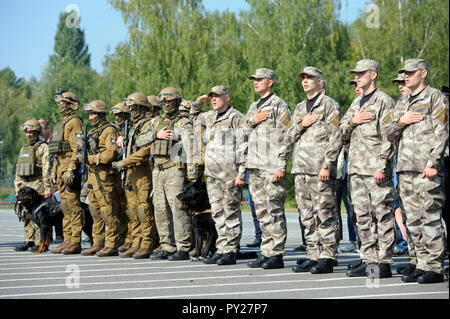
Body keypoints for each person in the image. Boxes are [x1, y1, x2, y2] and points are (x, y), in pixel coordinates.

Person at [386, 58, 448, 284]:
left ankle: (434, 267)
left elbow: (441, 132)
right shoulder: (401, 102)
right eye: (404, 73)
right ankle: (421, 263)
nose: (406, 76)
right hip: (404, 169)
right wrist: (402, 121)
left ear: (423, 73)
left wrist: (433, 162)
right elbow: (389, 134)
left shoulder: (435, 98)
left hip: (425, 169)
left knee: (429, 217)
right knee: (412, 220)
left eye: (411, 72)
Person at [340, 59, 396, 278]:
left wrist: (382, 165)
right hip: (356, 169)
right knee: (361, 217)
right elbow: (341, 131)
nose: (357, 76)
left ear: (373, 75)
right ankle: (368, 258)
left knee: (381, 215)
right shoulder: (356, 104)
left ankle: (384, 262)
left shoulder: (384, 101)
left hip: (375, 170)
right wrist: (353, 120)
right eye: (356, 73)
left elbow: (389, 137)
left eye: (361, 73)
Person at [288, 67, 342, 274]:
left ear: (320, 81)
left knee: (325, 213)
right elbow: (289, 135)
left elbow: (335, 137)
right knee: (307, 216)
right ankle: (313, 254)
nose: (305, 81)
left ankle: (328, 255)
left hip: (319, 169)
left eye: (309, 78)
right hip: (301, 169)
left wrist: (327, 164)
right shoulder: (300, 107)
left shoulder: (329, 105)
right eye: (303, 78)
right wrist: (302, 124)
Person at [135, 87, 198, 261]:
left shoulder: (183, 123)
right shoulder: (156, 122)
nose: (166, 104)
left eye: (169, 101)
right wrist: (157, 135)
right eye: (163, 101)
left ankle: (183, 247)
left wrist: (192, 174)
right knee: (160, 210)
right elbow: (139, 140)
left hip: (174, 169)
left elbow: (192, 149)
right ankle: (167, 246)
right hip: (157, 170)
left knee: (178, 209)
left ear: (177, 102)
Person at [189, 85, 246, 265]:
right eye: (212, 97)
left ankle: (231, 250)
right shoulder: (210, 116)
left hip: (230, 173)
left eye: (218, 96)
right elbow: (193, 117)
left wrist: (242, 173)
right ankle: (221, 248)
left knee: (230, 212)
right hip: (212, 174)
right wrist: (198, 102)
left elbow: (244, 145)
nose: (214, 99)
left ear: (227, 98)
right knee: (217, 213)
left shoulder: (236, 117)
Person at [243, 68, 291, 269]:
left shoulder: (279, 105)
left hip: (271, 166)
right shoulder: (254, 106)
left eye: (259, 79)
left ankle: (276, 254)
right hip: (254, 166)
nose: (255, 82)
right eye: (254, 79)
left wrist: (281, 165)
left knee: (274, 211)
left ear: (270, 82)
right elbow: (242, 130)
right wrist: (253, 120)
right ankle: (266, 251)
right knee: (261, 212)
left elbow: (286, 136)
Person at [111, 93, 159, 259]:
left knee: (143, 209)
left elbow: (146, 151)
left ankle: (147, 243)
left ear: (140, 107)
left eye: (132, 106)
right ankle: (136, 241)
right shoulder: (132, 126)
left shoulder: (148, 124)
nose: (129, 109)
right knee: (132, 210)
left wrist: (125, 162)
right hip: (131, 172)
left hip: (142, 170)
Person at [81, 100, 120, 256]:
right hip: (92, 176)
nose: (90, 118)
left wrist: (90, 159)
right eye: (89, 114)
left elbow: (110, 154)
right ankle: (97, 243)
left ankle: (111, 244)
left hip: (104, 175)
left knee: (107, 211)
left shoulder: (109, 130)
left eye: (92, 114)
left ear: (101, 114)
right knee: (95, 211)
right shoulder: (92, 131)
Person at [49, 91, 84, 255]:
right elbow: (57, 152)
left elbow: (78, 147)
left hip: (69, 167)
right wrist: (54, 172)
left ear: (71, 104)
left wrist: (72, 168)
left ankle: (75, 241)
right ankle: (67, 240)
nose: (59, 104)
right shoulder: (61, 124)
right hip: (60, 167)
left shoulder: (75, 122)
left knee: (73, 206)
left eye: (62, 102)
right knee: (65, 206)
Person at [14, 119, 52, 252]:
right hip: (25, 184)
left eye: (31, 132)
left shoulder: (43, 147)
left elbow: (47, 168)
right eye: (26, 132)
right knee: (26, 214)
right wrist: (17, 188)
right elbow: (19, 170)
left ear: (37, 132)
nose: (28, 134)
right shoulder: (24, 148)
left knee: (38, 214)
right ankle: (29, 240)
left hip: (38, 184)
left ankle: (39, 241)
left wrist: (48, 187)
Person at [110, 102, 134, 253]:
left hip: (129, 169)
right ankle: (122, 235)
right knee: (118, 207)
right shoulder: (111, 128)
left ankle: (130, 237)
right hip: (115, 171)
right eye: (116, 114)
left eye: (121, 115)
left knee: (129, 207)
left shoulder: (131, 127)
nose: (117, 117)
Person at [38, 119, 63, 244]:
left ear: (48, 128)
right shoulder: (41, 143)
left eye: (41, 127)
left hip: (56, 177)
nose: (40, 130)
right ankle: (48, 236)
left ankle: (59, 234)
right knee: (46, 208)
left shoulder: (54, 141)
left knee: (57, 206)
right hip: (44, 179)